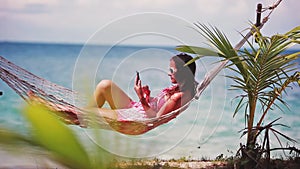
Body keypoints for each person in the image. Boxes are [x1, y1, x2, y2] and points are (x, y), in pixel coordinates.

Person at [88, 53, 197, 122]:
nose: (169, 73)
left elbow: (155, 118)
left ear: (183, 72)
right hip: (136, 108)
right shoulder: (180, 89)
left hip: (134, 118)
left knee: (87, 112)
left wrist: (141, 97)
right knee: (105, 85)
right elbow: (158, 106)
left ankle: (80, 119)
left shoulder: (178, 96)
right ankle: (82, 120)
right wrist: (147, 97)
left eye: (172, 70)